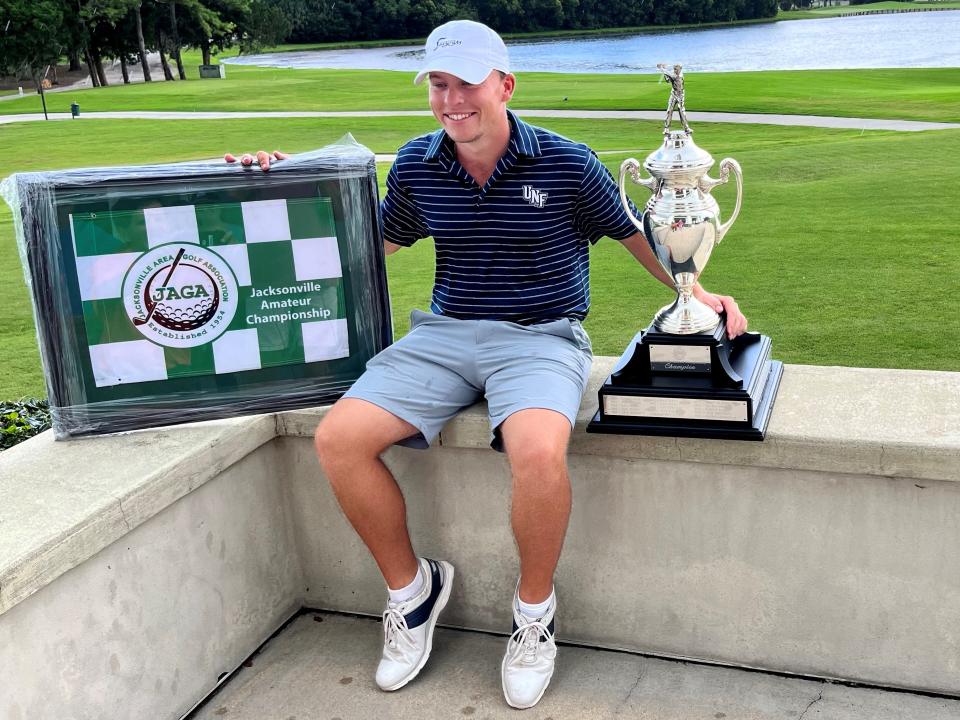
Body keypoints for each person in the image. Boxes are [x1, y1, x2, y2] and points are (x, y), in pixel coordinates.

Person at [229, 19, 747, 709]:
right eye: (439, 85)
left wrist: (695, 291)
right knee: (338, 440)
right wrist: (275, 190)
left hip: (542, 336)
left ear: (504, 84)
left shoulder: (566, 162)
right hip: (444, 334)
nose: (452, 100)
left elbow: (635, 232)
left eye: (467, 83)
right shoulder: (417, 164)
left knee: (537, 454)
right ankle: (412, 593)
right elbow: (360, 247)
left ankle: (533, 614)